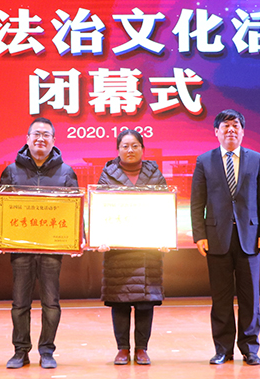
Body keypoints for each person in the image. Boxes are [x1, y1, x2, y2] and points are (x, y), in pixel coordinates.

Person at [190, 109, 260, 367]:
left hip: (250, 237)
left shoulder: (256, 160)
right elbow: (197, 202)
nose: (231, 130)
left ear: (243, 132)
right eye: (225, 126)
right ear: (216, 132)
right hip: (216, 238)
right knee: (221, 297)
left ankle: (250, 349)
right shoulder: (204, 161)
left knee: (250, 298)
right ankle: (223, 350)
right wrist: (199, 235)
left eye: (235, 126)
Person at [0, 117, 79, 369]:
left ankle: (47, 351)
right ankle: (20, 351)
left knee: (51, 303)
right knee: (19, 303)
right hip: (20, 249)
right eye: (36, 134)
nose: (40, 139)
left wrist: (76, 238)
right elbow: (2, 210)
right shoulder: (11, 171)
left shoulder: (66, 172)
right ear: (27, 139)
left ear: (54, 140)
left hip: (52, 249)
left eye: (46, 134)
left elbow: (74, 211)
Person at [96, 129, 167, 366]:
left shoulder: (155, 174)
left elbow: (165, 209)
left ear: (142, 149)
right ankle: (123, 349)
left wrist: (165, 237)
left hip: (148, 250)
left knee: (146, 301)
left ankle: (142, 349)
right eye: (125, 146)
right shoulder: (107, 175)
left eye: (135, 145)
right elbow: (100, 211)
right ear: (118, 150)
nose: (130, 150)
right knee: (120, 300)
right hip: (118, 251)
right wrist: (100, 238)